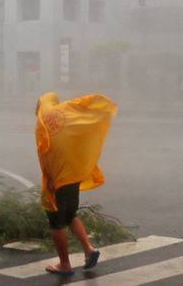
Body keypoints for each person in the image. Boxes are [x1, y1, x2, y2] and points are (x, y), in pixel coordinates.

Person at [35, 92, 117, 276]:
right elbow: (82, 108)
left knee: (56, 223)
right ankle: (89, 249)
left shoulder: (43, 124)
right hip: (72, 177)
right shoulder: (67, 114)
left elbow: (45, 155)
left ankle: (65, 264)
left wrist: (49, 182)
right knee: (71, 214)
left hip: (58, 181)